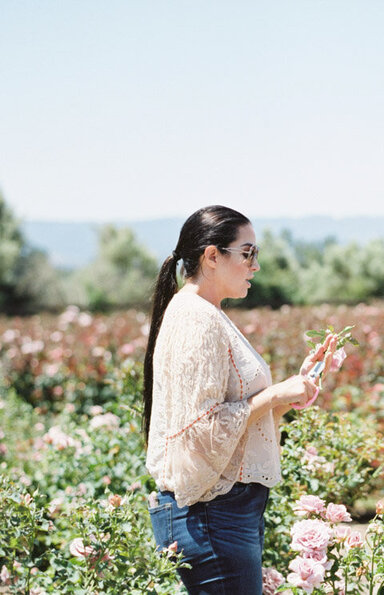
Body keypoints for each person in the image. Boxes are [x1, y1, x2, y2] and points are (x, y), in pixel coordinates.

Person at [143, 205, 335, 594]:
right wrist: (274, 394)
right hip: (211, 515)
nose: (255, 266)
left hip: (220, 515)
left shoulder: (205, 313)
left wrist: (292, 388)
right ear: (212, 256)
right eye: (248, 253)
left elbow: (235, 418)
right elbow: (202, 429)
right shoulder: (196, 317)